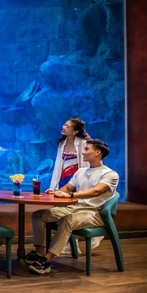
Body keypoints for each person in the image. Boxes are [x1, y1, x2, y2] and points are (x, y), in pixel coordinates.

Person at [27, 139, 119, 275]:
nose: (83, 152)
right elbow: (67, 187)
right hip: (74, 208)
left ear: (98, 152)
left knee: (68, 219)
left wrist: (70, 195)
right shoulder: (81, 171)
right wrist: (56, 192)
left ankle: (47, 261)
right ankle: (39, 254)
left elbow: (96, 191)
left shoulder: (110, 174)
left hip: (94, 213)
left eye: (86, 149)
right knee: (39, 215)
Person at [47, 117, 103, 253]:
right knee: (61, 212)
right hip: (64, 180)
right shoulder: (62, 143)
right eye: (64, 124)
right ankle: (68, 244)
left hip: (77, 182)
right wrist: (53, 187)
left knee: (74, 212)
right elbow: (58, 166)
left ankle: (74, 244)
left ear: (75, 131)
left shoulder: (83, 144)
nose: (64, 127)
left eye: (68, 126)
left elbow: (90, 163)